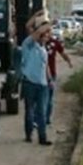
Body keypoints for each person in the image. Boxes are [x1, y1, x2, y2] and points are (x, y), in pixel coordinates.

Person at [20, 18, 53, 146]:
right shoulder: (28, 45)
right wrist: (46, 22)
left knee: (42, 112)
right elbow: (33, 29)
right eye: (45, 34)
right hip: (29, 83)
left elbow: (45, 66)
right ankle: (29, 134)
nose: (47, 36)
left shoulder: (43, 49)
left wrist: (49, 79)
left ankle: (42, 137)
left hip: (42, 84)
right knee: (30, 111)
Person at [43, 27, 72, 125]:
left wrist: (68, 61)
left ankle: (45, 118)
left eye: (49, 31)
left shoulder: (51, 43)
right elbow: (63, 54)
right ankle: (45, 118)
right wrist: (68, 61)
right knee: (46, 98)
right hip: (43, 74)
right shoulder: (42, 43)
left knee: (47, 98)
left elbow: (63, 53)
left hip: (50, 74)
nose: (48, 33)